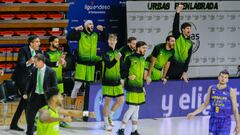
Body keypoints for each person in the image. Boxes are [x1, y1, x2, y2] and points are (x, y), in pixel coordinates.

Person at [67, 20, 105, 121]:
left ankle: (85, 113)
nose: (91, 25)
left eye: (92, 24)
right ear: (85, 26)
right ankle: (71, 110)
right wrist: (75, 29)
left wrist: (102, 31)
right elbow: (69, 37)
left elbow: (104, 38)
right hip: (81, 66)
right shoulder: (80, 34)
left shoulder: (96, 35)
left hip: (91, 67)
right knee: (76, 87)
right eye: (89, 24)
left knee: (88, 91)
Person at [187, 70, 240, 135]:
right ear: (218, 77)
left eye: (225, 77)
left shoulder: (231, 91)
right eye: (222, 76)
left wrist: (238, 124)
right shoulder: (212, 88)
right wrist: (194, 113)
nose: (223, 78)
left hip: (225, 121)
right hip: (213, 119)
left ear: (228, 80)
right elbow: (205, 104)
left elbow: (235, 109)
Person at [10, 35, 42, 131]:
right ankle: (31, 126)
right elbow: (20, 64)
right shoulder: (23, 50)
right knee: (27, 102)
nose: (39, 43)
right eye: (36, 41)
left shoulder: (38, 51)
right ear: (31, 43)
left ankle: (13, 124)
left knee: (24, 103)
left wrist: (57, 63)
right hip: (21, 79)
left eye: (39, 41)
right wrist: (29, 61)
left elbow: (45, 62)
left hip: (30, 80)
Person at [117, 41, 148, 135]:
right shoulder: (129, 58)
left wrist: (143, 87)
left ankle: (134, 130)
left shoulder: (143, 59)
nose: (145, 50)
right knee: (132, 108)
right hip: (131, 86)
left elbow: (142, 75)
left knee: (137, 109)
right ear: (138, 48)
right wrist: (128, 76)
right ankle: (121, 129)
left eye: (146, 48)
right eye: (143, 48)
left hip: (139, 87)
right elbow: (122, 72)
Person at [25, 54, 58, 135]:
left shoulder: (51, 72)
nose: (34, 64)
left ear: (41, 61)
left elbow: (55, 87)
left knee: (45, 119)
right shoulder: (34, 70)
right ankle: (29, 132)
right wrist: (26, 93)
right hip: (35, 97)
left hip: (45, 98)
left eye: (35, 62)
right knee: (30, 116)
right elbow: (30, 83)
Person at [44, 36, 69, 127]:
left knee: (60, 101)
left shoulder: (60, 53)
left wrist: (63, 62)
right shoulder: (46, 54)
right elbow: (47, 65)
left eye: (58, 42)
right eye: (55, 42)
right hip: (50, 81)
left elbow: (64, 66)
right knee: (49, 101)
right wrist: (58, 61)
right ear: (50, 43)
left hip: (59, 80)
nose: (57, 43)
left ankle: (61, 120)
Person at [102, 34, 124, 131]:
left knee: (120, 100)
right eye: (110, 39)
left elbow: (121, 67)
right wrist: (116, 58)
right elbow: (109, 65)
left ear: (116, 41)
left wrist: (122, 78)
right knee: (107, 102)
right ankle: (106, 123)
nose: (112, 41)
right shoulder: (105, 52)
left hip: (117, 81)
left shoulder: (118, 52)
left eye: (114, 39)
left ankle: (110, 115)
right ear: (108, 41)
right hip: (107, 81)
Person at [167, 4, 193, 83]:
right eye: (187, 28)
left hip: (181, 69)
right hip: (172, 66)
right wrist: (177, 13)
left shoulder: (190, 43)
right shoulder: (178, 36)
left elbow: (188, 58)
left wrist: (185, 71)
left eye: (190, 28)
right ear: (183, 30)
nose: (189, 30)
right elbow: (175, 26)